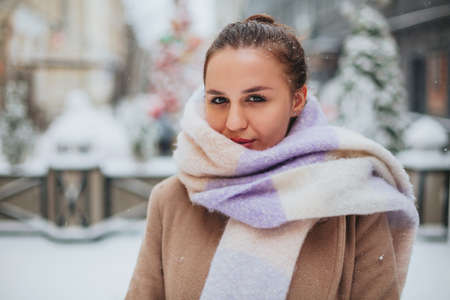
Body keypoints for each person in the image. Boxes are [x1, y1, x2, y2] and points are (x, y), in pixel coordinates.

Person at [125, 14, 418, 300]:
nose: (234, 122)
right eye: (219, 100)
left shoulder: (355, 203)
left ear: (297, 100)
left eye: (256, 98)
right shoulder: (171, 200)